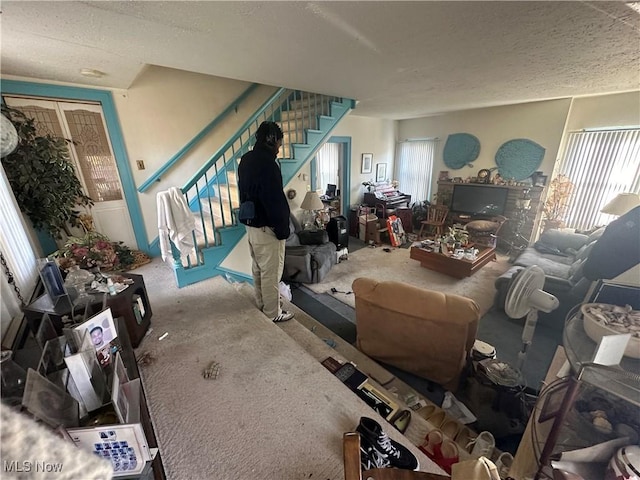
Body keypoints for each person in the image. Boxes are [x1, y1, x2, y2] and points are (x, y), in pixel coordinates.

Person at [237, 121, 294, 323]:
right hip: (267, 228)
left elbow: (243, 192)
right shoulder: (268, 165)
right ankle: (272, 313)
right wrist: (282, 230)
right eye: (279, 143)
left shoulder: (245, 160)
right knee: (271, 273)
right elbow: (274, 200)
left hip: (251, 225)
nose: (279, 148)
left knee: (258, 269)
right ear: (271, 140)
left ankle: (263, 304)